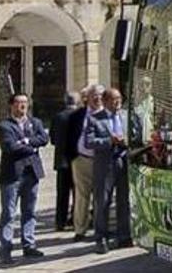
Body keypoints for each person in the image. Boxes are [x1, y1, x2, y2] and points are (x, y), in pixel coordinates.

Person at [0, 93, 49, 263]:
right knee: (9, 213)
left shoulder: (35, 122)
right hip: (12, 175)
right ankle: (6, 249)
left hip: (32, 173)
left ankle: (29, 245)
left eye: (25, 103)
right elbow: (10, 147)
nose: (23, 106)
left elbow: (44, 139)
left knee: (30, 211)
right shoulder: (4, 126)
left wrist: (25, 141)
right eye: (19, 103)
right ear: (11, 105)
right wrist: (31, 146)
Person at [87, 88, 133, 254]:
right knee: (103, 202)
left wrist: (127, 141)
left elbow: (134, 134)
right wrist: (110, 140)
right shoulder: (95, 119)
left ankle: (124, 236)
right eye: (114, 99)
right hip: (105, 165)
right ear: (105, 101)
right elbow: (89, 142)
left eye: (119, 99)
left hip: (123, 161)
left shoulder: (126, 116)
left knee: (124, 201)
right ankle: (101, 238)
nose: (117, 102)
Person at [69, 84, 105, 242]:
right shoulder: (77, 115)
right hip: (81, 160)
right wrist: (72, 157)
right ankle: (80, 229)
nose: (97, 98)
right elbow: (68, 137)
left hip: (102, 161)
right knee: (82, 196)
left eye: (100, 95)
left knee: (101, 196)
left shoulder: (109, 115)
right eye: (94, 96)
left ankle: (100, 229)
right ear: (87, 98)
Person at [49, 90, 80, 232]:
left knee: (62, 193)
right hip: (77, 160)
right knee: (78, 193)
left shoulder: (58, 117)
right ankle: (75, 219)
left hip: (62, 160)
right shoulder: (80, 116)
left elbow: (53, 139)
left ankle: (60, 222)